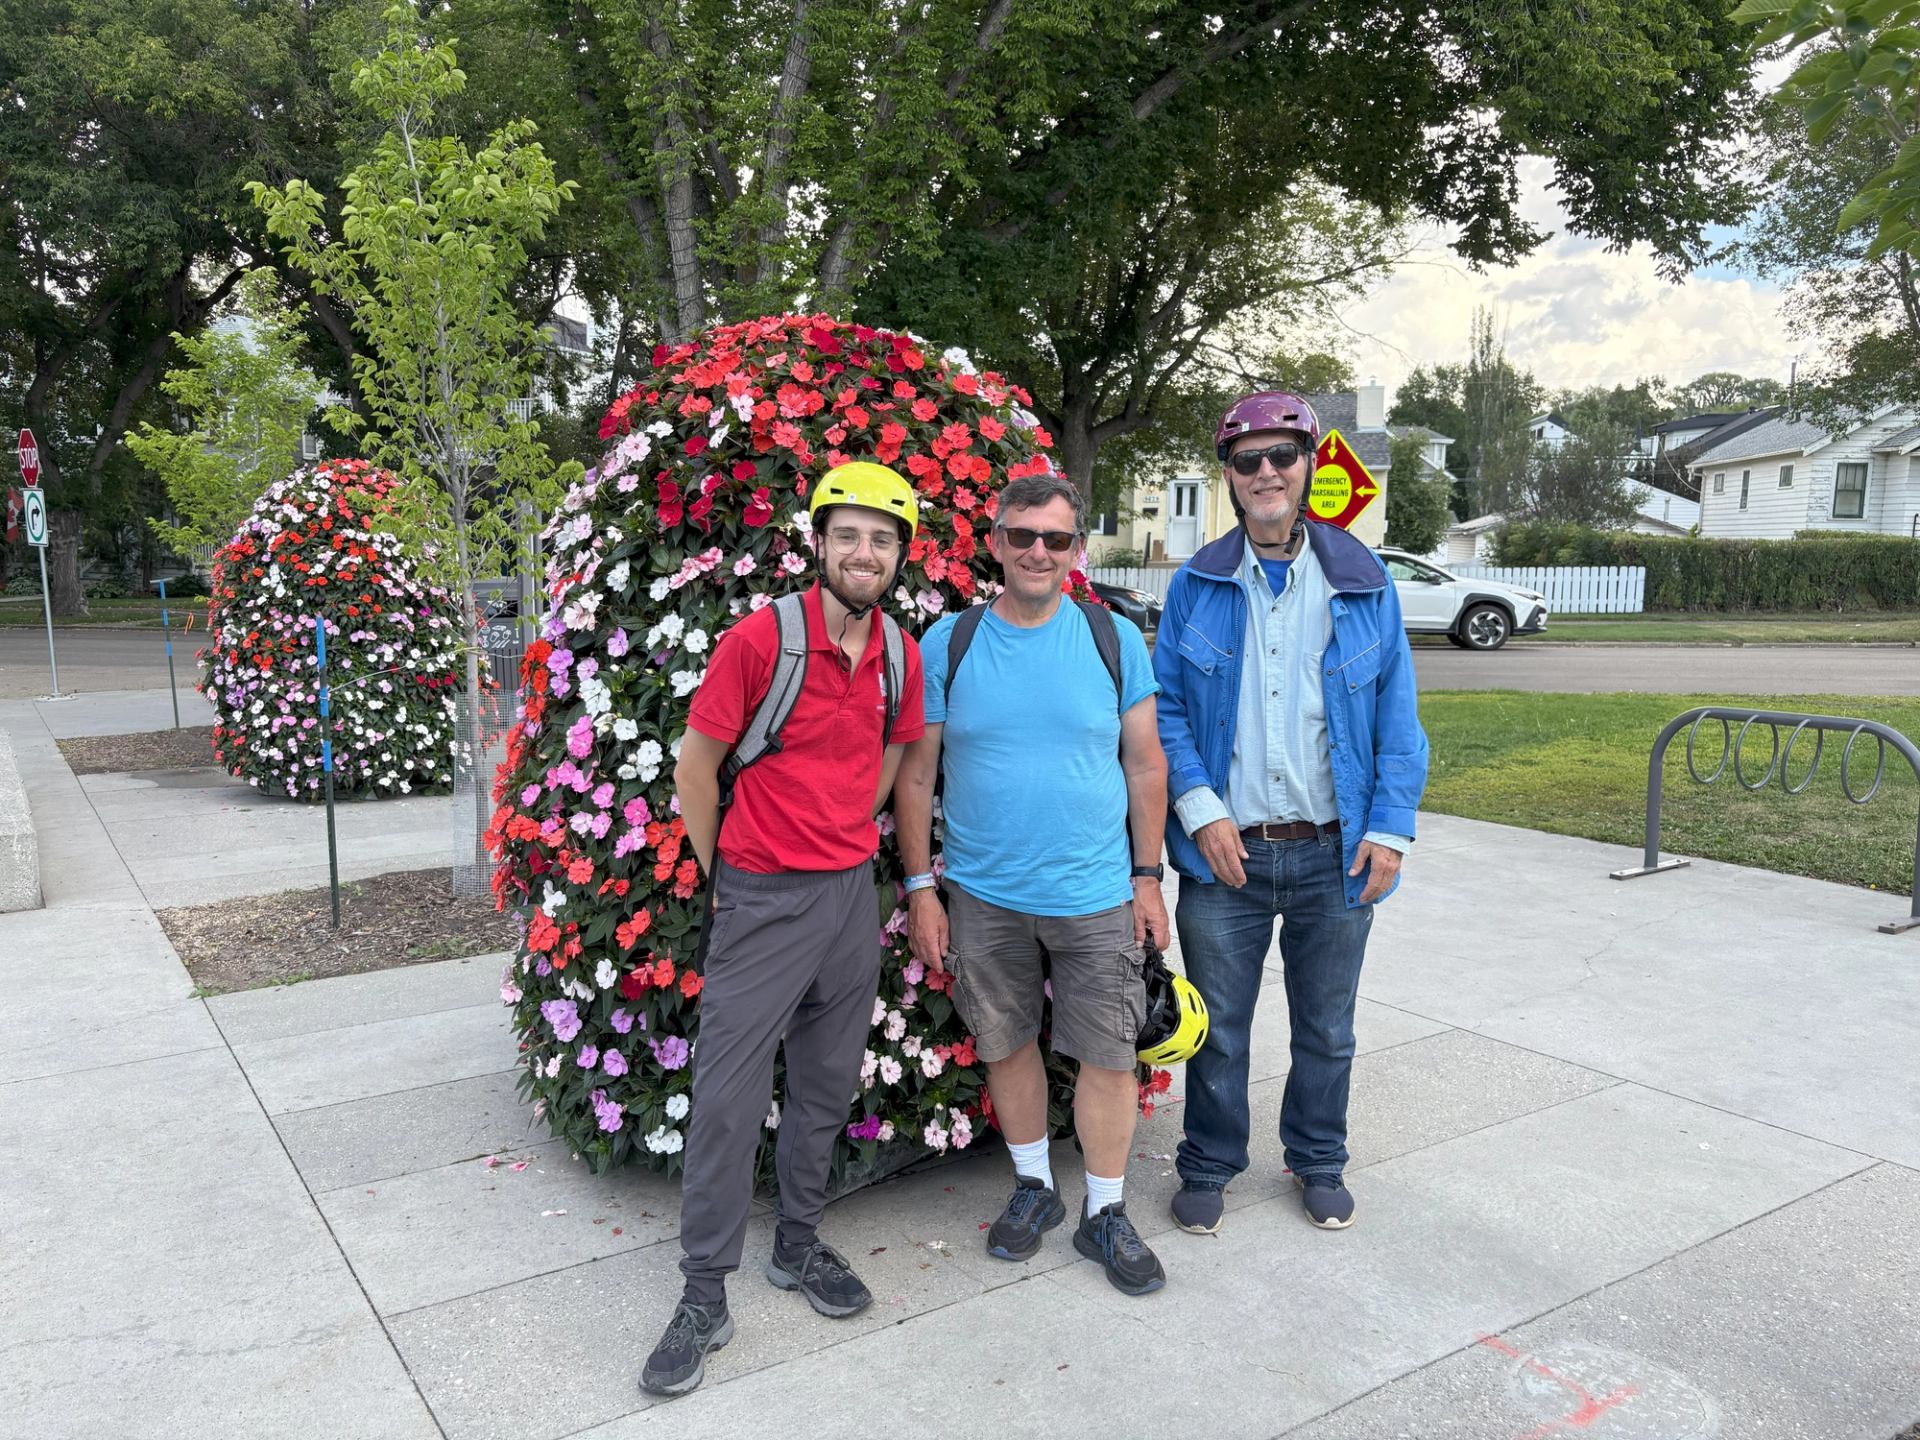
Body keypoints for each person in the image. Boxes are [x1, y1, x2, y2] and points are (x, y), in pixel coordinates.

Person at [641, 462, 927, 1398]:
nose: (864, 551)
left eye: (882, 539)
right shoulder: (761, 641)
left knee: (825, 1083)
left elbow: (895, 753)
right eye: (848, 533)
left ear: (899, 555)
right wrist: (730, 871)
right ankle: (701, 1293)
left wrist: (848, 835)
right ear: (818, 541)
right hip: (761, 894)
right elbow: (697, 768)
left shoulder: (899, 652)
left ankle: (798, 1244)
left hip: (850, 895)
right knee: (725, 1098)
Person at [1154, 391, 1429, 1236]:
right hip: (1224, 858)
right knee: (1219, 1030)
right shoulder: (1196, 584)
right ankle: (1209, 1163)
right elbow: (1165, 711)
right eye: (1248, 460)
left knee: (1327, 1028)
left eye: (1282, 456)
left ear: (1309, 465)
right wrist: (1200, 812)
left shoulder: (1362, 581)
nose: (1266, 472)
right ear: (1230, 479)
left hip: (1334, 853)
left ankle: (1317, 1158)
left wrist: (1388, 828)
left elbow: (1397, 717)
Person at [896, 472, 1173, 1296]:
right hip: (983, 895)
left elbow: (1145, 763)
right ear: (996, 543)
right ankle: (1034, 1189)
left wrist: (1148, 878)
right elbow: (917, 777)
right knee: (1006, 1042)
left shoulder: (1114, 639)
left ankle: (1107, 1211)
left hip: (1096, 896)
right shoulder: (950, 641)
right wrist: (919, 886)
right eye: (1023, 536)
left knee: (1108, 1056)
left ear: (1077, 549)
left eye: (1056, 539)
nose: (1039, 552)